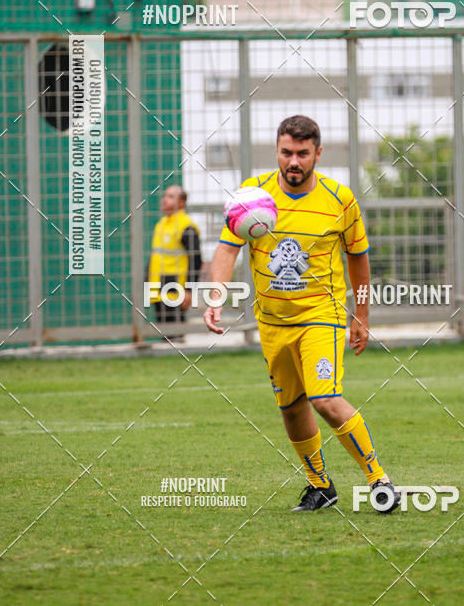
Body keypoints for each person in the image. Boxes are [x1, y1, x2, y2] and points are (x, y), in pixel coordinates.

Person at [204, 115, 400, 513]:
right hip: (272, 320)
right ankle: (320, 486)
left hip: (320, 315)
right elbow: (228, 249)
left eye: (302, 154)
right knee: (292, 407)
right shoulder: (253, 195)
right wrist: (215, 297)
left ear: (318, 154)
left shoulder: (339, 199)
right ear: (277, 150)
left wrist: (361, 315)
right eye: (286, 153)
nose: (293, 162)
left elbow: (358, 258)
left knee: (325, 399)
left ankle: (379, 480)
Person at [148, 185, 202, 332]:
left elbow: (196, 260)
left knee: (175, 335)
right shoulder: (161, 224)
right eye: (165, 196)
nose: (165, 199)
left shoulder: (187, 226)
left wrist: (189, 290)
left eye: (171, 197)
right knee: (164, 333)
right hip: (157, 289)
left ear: (181, 203)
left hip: (175, 290)